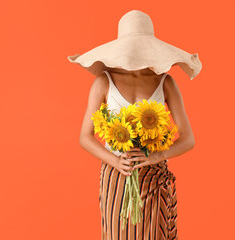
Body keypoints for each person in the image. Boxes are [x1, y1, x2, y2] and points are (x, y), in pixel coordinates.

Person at [67, 9, 202, 240]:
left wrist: (156, 156)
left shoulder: (165, 82)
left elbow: (188, 138)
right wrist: (116, 161)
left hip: (153, 176)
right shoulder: (104, 82)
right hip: (116, 177)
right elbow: (85, 136)